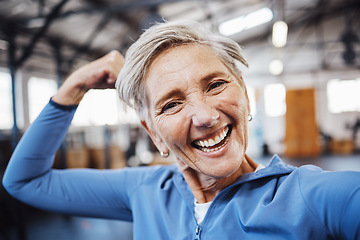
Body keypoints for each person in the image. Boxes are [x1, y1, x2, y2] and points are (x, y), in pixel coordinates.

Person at [2, 20, 360, 240]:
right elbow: (24, 181)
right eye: (171, 104)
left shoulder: (310, 198)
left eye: (216, 84)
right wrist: (72, 89)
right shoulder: (145, 191)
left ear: (245, 98)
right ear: (154, 134)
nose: (204, 116)